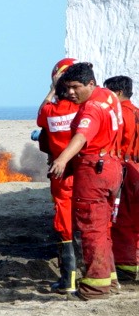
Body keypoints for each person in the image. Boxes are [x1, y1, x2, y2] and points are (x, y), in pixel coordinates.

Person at [48, 62, 123, 300]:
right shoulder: (108, 96)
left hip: (94, 170)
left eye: (75, 87)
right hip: (111, 165)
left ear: (90, 83)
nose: (71, 93)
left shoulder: (91, 109)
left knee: (92, 229)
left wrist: (62, 160)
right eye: (67, 88)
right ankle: (109, 279)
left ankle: (95, 287)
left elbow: (81, 137)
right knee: (104, 227)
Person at [36, 58, 81, 293]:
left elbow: (40, 115)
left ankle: (68, 280)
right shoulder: (85, 109)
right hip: (85, 173)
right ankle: (99, 276)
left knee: (64, 223)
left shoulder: (49, 111)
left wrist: (52, 90)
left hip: (61, 175)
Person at [103, 75, 139, 282]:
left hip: (123, 169)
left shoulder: (118, 115)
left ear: (117, 93)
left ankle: (125, 264)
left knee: (121, 217)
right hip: (135, 168)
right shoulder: (136, 112)